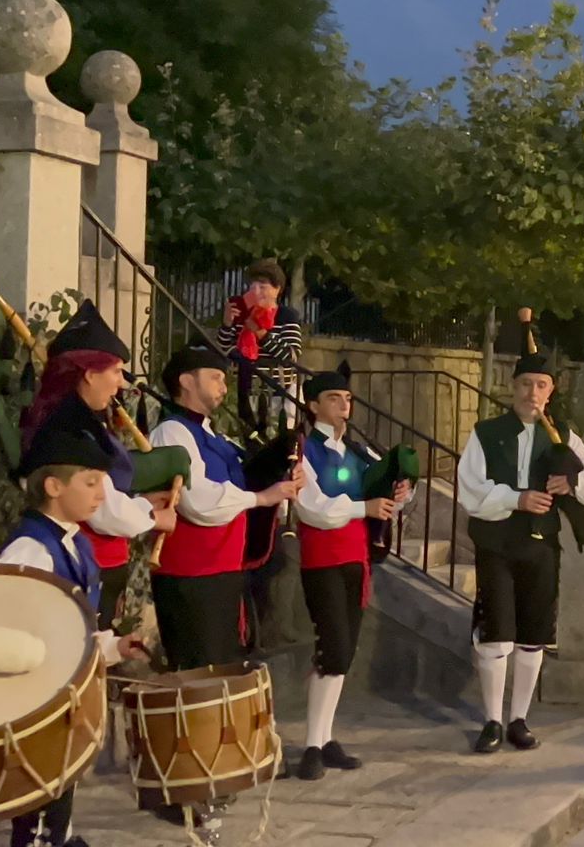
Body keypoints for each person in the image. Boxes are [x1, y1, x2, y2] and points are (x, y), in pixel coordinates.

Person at [0, 425, 150, 847]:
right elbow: (17, 634)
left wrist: (114, 647)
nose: (102, 493)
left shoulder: (73, 541)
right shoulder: (30, 551)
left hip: (63, 693)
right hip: (36, 699)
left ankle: (60, 838)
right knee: (40, 794)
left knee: (60, 786)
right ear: (53, 486)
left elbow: (73, 629)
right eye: (91, 482)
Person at [455, 346, 584, 754]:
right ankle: (491, 720)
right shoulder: (486, 433)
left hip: (541, 548)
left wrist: (570, 484)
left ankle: (518, 720)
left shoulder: (562, 435)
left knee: (532, 638)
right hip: (496, 546)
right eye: (525, 384)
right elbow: (470, 492)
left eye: (541, 385)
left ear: (551, 390)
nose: (532, 392)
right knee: (495, 636)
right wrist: (516, 499)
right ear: (513, 387)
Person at [20, 300, 176, 631]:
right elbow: (105, 510)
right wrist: (151, 517)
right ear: (90, 374)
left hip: (98, 561)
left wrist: (142, 503)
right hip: (87, 562)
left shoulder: (81, 420)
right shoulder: (68, 425)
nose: (121, 383)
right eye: (116, 371)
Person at [149, 344, 301, 671]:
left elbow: (244, 479)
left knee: (221, 674)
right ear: (187, 381)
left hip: (222, 572)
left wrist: (280, 468)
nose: (223, 386)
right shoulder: (172, 431)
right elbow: (197, 500)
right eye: (215, 377)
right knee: (199, 677)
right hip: (191, 577)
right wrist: (261, 498)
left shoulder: (213, 436)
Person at [292, 372, 412, 780]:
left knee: (343, 655)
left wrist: (399, 490)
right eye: (333, 397)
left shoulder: (359, 452)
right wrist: (364, 508)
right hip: (322, 561)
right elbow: (313, 508)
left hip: (354, 561)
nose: (344, 404)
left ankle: (324, 739)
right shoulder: (303, 450)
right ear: (313, 405)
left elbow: (391, 487)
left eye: (347, 397)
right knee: (333, 650)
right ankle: (311, 744)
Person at [219, 258, 304, 433]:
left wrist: (260, 333)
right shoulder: (243, 313)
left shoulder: (286, 316)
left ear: (277, 289)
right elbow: (223, 348)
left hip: (276, 394)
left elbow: (291, 356)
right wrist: (227, 323)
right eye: (252, 286)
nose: (256, 291)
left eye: (263, 286)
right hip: (243, 390)